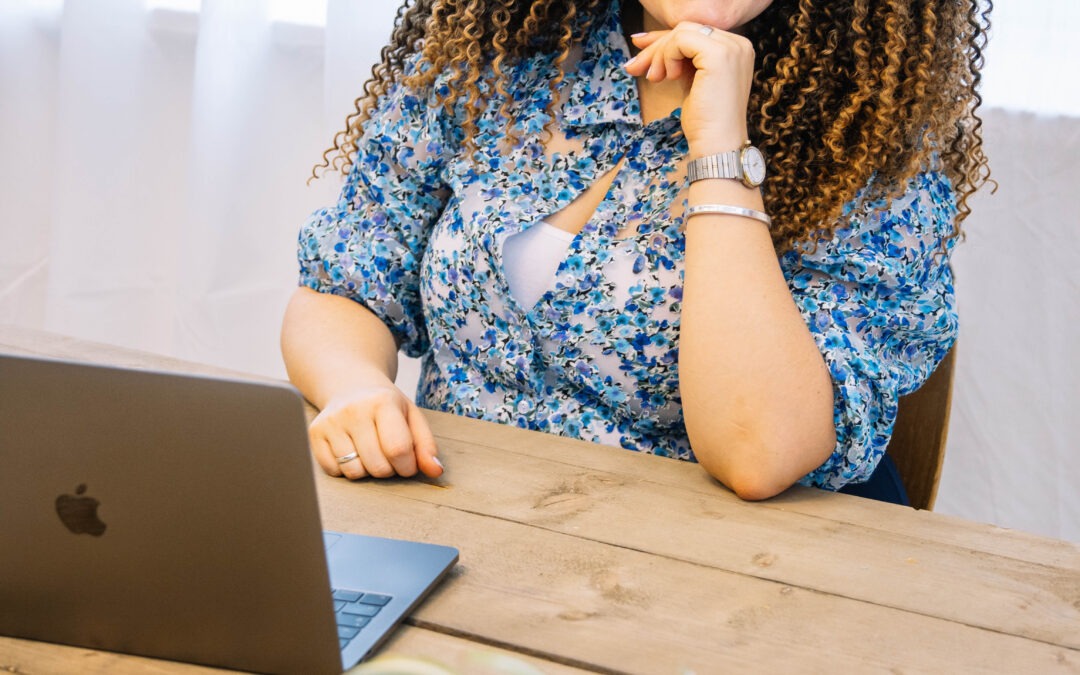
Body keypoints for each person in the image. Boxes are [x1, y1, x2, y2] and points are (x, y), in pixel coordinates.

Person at [280, 0, 991, 500]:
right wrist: (355, 386)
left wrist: (720, 149)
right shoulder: (494, 56)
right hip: (459, 530)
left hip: (707, 590)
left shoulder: (870, 147)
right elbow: (345, 286)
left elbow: (758, 449)